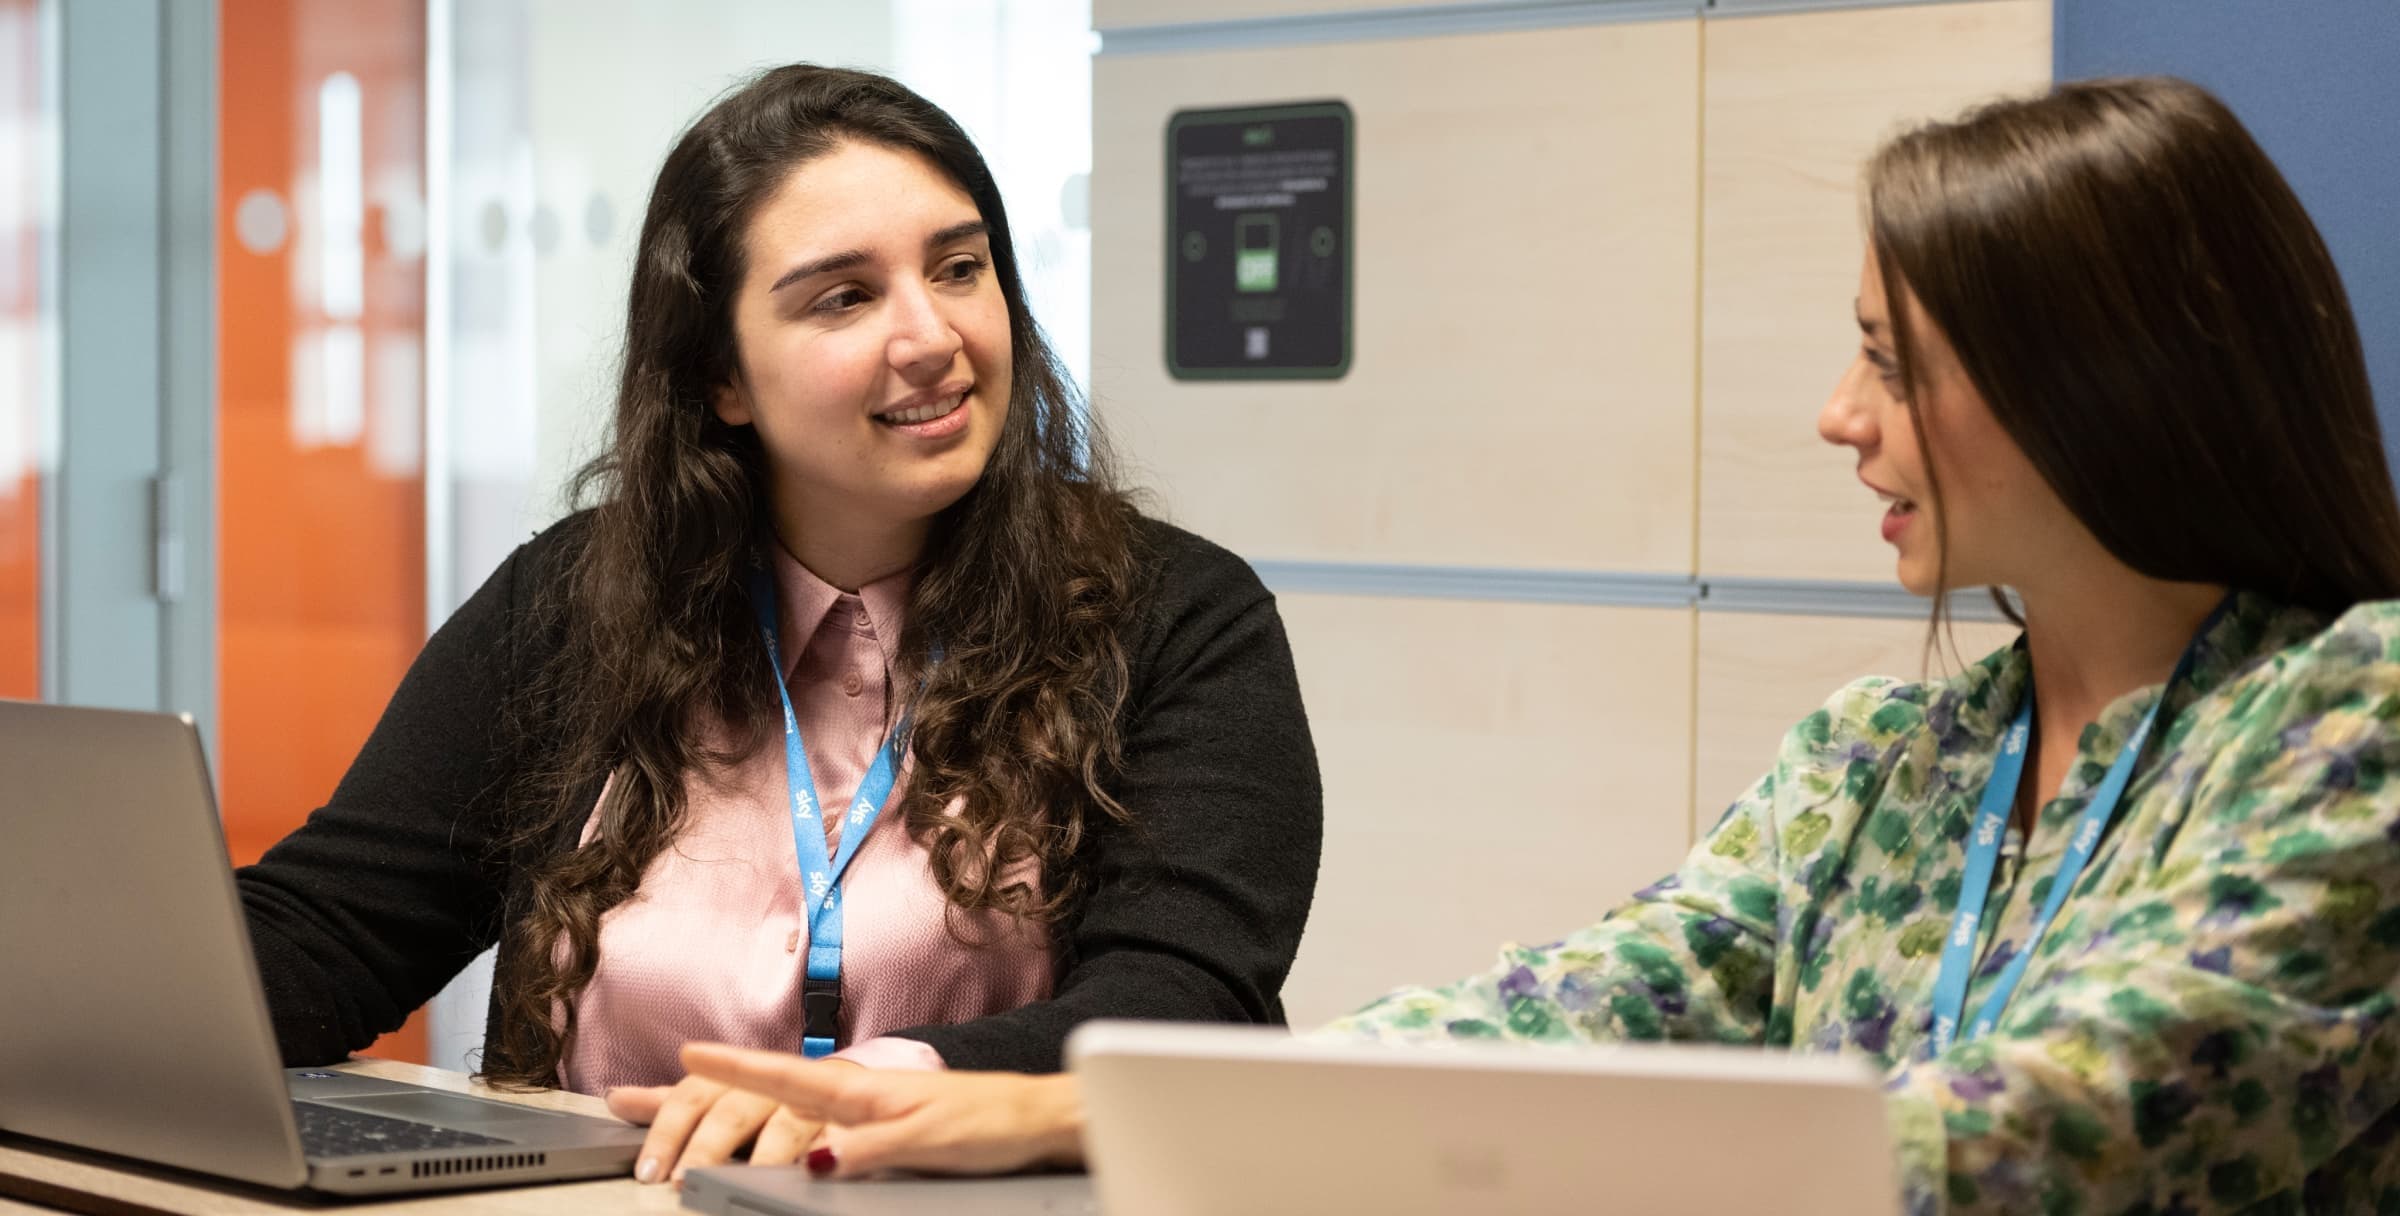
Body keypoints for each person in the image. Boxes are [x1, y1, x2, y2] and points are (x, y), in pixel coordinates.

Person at [671, 76, 2400, 1212]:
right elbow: (1576, 1007)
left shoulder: (2357, 714)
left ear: (2099, 381)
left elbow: (2085, 1115)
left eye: (1891, 361)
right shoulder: (1896, 757)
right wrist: (1069, 1105)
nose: (1836, 416)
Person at [234, 64, 1322, 1187]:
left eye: (959, 268)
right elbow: (336, 927)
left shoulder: (1179, 618)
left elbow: (1182, 1007)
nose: (932, 335)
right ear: (723, 378)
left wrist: (878, 1087)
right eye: (843, 297)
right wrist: (81, 990)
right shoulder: (574, 601)